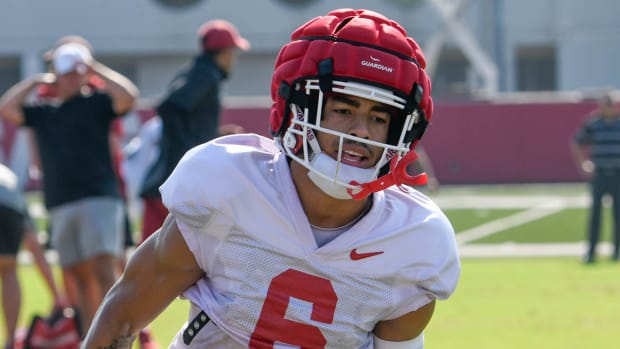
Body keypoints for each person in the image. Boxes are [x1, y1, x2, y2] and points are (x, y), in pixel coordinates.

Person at [83, 8, 461, 348]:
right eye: (343, 109)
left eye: (379, 118)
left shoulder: (414, 242)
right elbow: (123, 316)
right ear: (297, 108)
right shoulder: (229, 186)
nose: (361, 131)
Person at [0, 41, 139, 334]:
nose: (75, 78)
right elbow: (7, 108)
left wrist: (95, 68)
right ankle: (92, 336)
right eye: (69, 73)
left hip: (99, 197)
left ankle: (113, 334)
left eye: (79, 73)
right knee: (76, 276)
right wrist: (38, 80)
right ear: (57, 75)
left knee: (103, 269)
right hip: (61, 202)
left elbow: (129, 96)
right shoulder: (44, 112)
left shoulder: (98, 103)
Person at [139, 19, 249, 244]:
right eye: (233, 52)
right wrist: (192, 150)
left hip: (169, 183)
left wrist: (212, 136)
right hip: (176, 187)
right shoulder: (206, 75)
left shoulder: (198, 72)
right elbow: (169, 106)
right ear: (225, 52)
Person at [0, 163, 66, 349]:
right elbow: (35, 248)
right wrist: (56, 295)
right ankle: (10, 341)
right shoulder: (10, 180)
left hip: (10, 202)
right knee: (8, 271)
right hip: (10, 205)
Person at [571, 93, 620, 263]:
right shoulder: (593, 124)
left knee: (618, 215)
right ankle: (591, 252)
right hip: (599, 174)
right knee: (596, 216)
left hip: (617, 174)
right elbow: (576, 142)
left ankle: (617, 252)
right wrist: (584, 164)